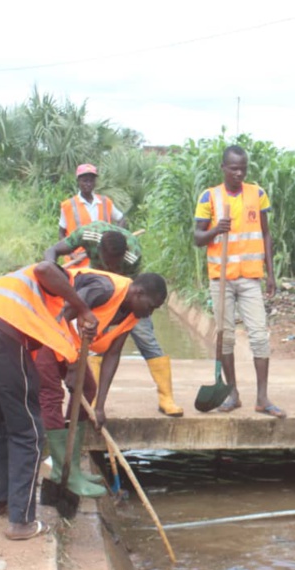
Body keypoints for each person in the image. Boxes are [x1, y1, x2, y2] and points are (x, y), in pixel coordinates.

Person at [0, 262, 99, 541]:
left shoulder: (10, 287)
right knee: (28, 431)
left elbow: (59, 350)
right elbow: (45, 267)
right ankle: (22, 522)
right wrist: (84, 308)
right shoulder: (39, 278)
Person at [33, 270, 168, 499]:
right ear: (138, 292)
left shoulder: (132, 314)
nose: (149, 313)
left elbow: (112, 355)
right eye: (151, 306)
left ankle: (72, 466)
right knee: (51, 396)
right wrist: (73, 365)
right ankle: (60, 471)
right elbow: (63, 316)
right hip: (44, 330)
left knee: (87, 389)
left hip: (69, 345)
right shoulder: (105, 290)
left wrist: (99, 407)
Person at [44, 222, 184, 416]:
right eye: (107, 261)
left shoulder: (132, 256)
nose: (110, 266)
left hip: (126, 297)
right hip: (96, 292)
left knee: (145, 338)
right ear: (99, 250)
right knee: (91, 339)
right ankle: (90, 399)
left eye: (115, 263)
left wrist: (123, 315)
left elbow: (134, 291)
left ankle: (166, 398)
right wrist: (52, 273)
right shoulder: (88, 235)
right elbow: (52, 251)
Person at [194, 145, 284, 418]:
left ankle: (262, 398)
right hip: (221, 279)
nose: (239, 172)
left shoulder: (257, 194)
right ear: (223, 168)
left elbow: (266, 234)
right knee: (226, 338)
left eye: (243, 168)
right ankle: (232, 394)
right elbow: (197, 238)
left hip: (250, 278)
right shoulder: (209, 196)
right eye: (233, 168)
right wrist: (214, 231)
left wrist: (271, 273)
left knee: (259, 336)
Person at [58, 163, 125, 268]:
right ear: (78, 182)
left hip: (102, 261)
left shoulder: (105, 202)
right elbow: (61, 233)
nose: (88, 184)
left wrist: (116, 237)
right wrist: (70, 253)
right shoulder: (68, 205)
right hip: (78, 262)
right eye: (85, 180)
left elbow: (121, 219)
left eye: (91, 180)